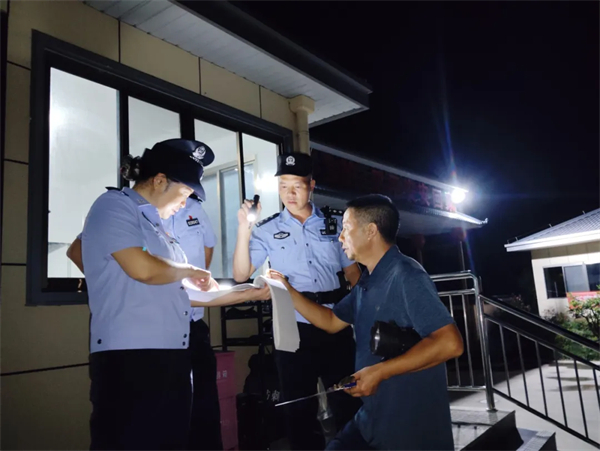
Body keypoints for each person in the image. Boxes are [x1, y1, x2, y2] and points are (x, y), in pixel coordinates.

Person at [68, 139, 270, 450]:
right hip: (130, 357)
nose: (186, 203)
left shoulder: (161, 231)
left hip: (173, 355)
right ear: (160, 180)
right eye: (185, 193)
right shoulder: (114, 206)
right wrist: (187, 271)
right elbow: (143, 268)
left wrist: (250, 294)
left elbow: (188, 296)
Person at [269, 194, 464, 451]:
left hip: (409, 428)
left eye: (346, 228)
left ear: (371, 231)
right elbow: (331, 321)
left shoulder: (406, 275)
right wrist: (286, 289)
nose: (340, 237)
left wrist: (379, 372)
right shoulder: (367, 280)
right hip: (371, 420)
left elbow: (450, 343)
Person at [232, 152, 363, 450]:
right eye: (283, 186)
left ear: (311, 185)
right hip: (293, 327)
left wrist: (361, 316)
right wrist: (243, 228)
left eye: (297, 186)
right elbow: (240, 274)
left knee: (347, 401)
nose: (289, 194)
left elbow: (353, 273)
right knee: (298, 409)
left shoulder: (335, 224)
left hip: (335, 322)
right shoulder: (265, 230)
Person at [162, 193, 222, 451]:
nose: (184, 200)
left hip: (194, 324)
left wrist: (198, 282)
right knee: (170, 414)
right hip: (160, 329)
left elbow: (208, 245)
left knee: (205, 410)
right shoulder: (134, 209)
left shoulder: (195, 207)